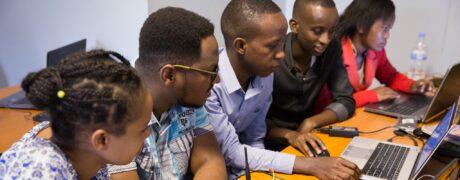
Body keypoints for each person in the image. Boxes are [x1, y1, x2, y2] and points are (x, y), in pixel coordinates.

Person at [205, 0, 360, 179]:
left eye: (281, 45)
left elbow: (255, 139)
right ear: (241, 46)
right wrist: (309, 164)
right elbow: (233, 153)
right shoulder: (208, 84)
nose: (281, 54)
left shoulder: (264, 74)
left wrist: (262, 177)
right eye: (273, 46)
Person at [109, 7, 227, 179]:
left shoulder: (189, 100)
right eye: (211, 72)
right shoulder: (115, 113)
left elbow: (210, 162)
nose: (217, 80)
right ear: (170, 75)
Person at [0, 50, 153, 179]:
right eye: (142, 129)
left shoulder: (91, 161)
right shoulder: (40, 170)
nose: (148, 134)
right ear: (102, 140)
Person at [265, 0, 356, 159]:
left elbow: (346, 100)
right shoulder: (273, 55)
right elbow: (251, 121)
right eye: (318, 31)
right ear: (294, 26)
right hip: (269, 144)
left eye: (332, 31)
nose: (325, 40)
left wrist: (312, 122)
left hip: (309, 139)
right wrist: (291, 135)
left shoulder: (332, 49)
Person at [317, 0, 435, 108]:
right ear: (361, 26)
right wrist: (371, 95)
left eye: (389, 30)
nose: (387, 36)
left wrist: (412, 86)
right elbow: (326, 104)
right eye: (384, 28)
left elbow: (391, 77)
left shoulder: (375, 52)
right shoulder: (334, 51)